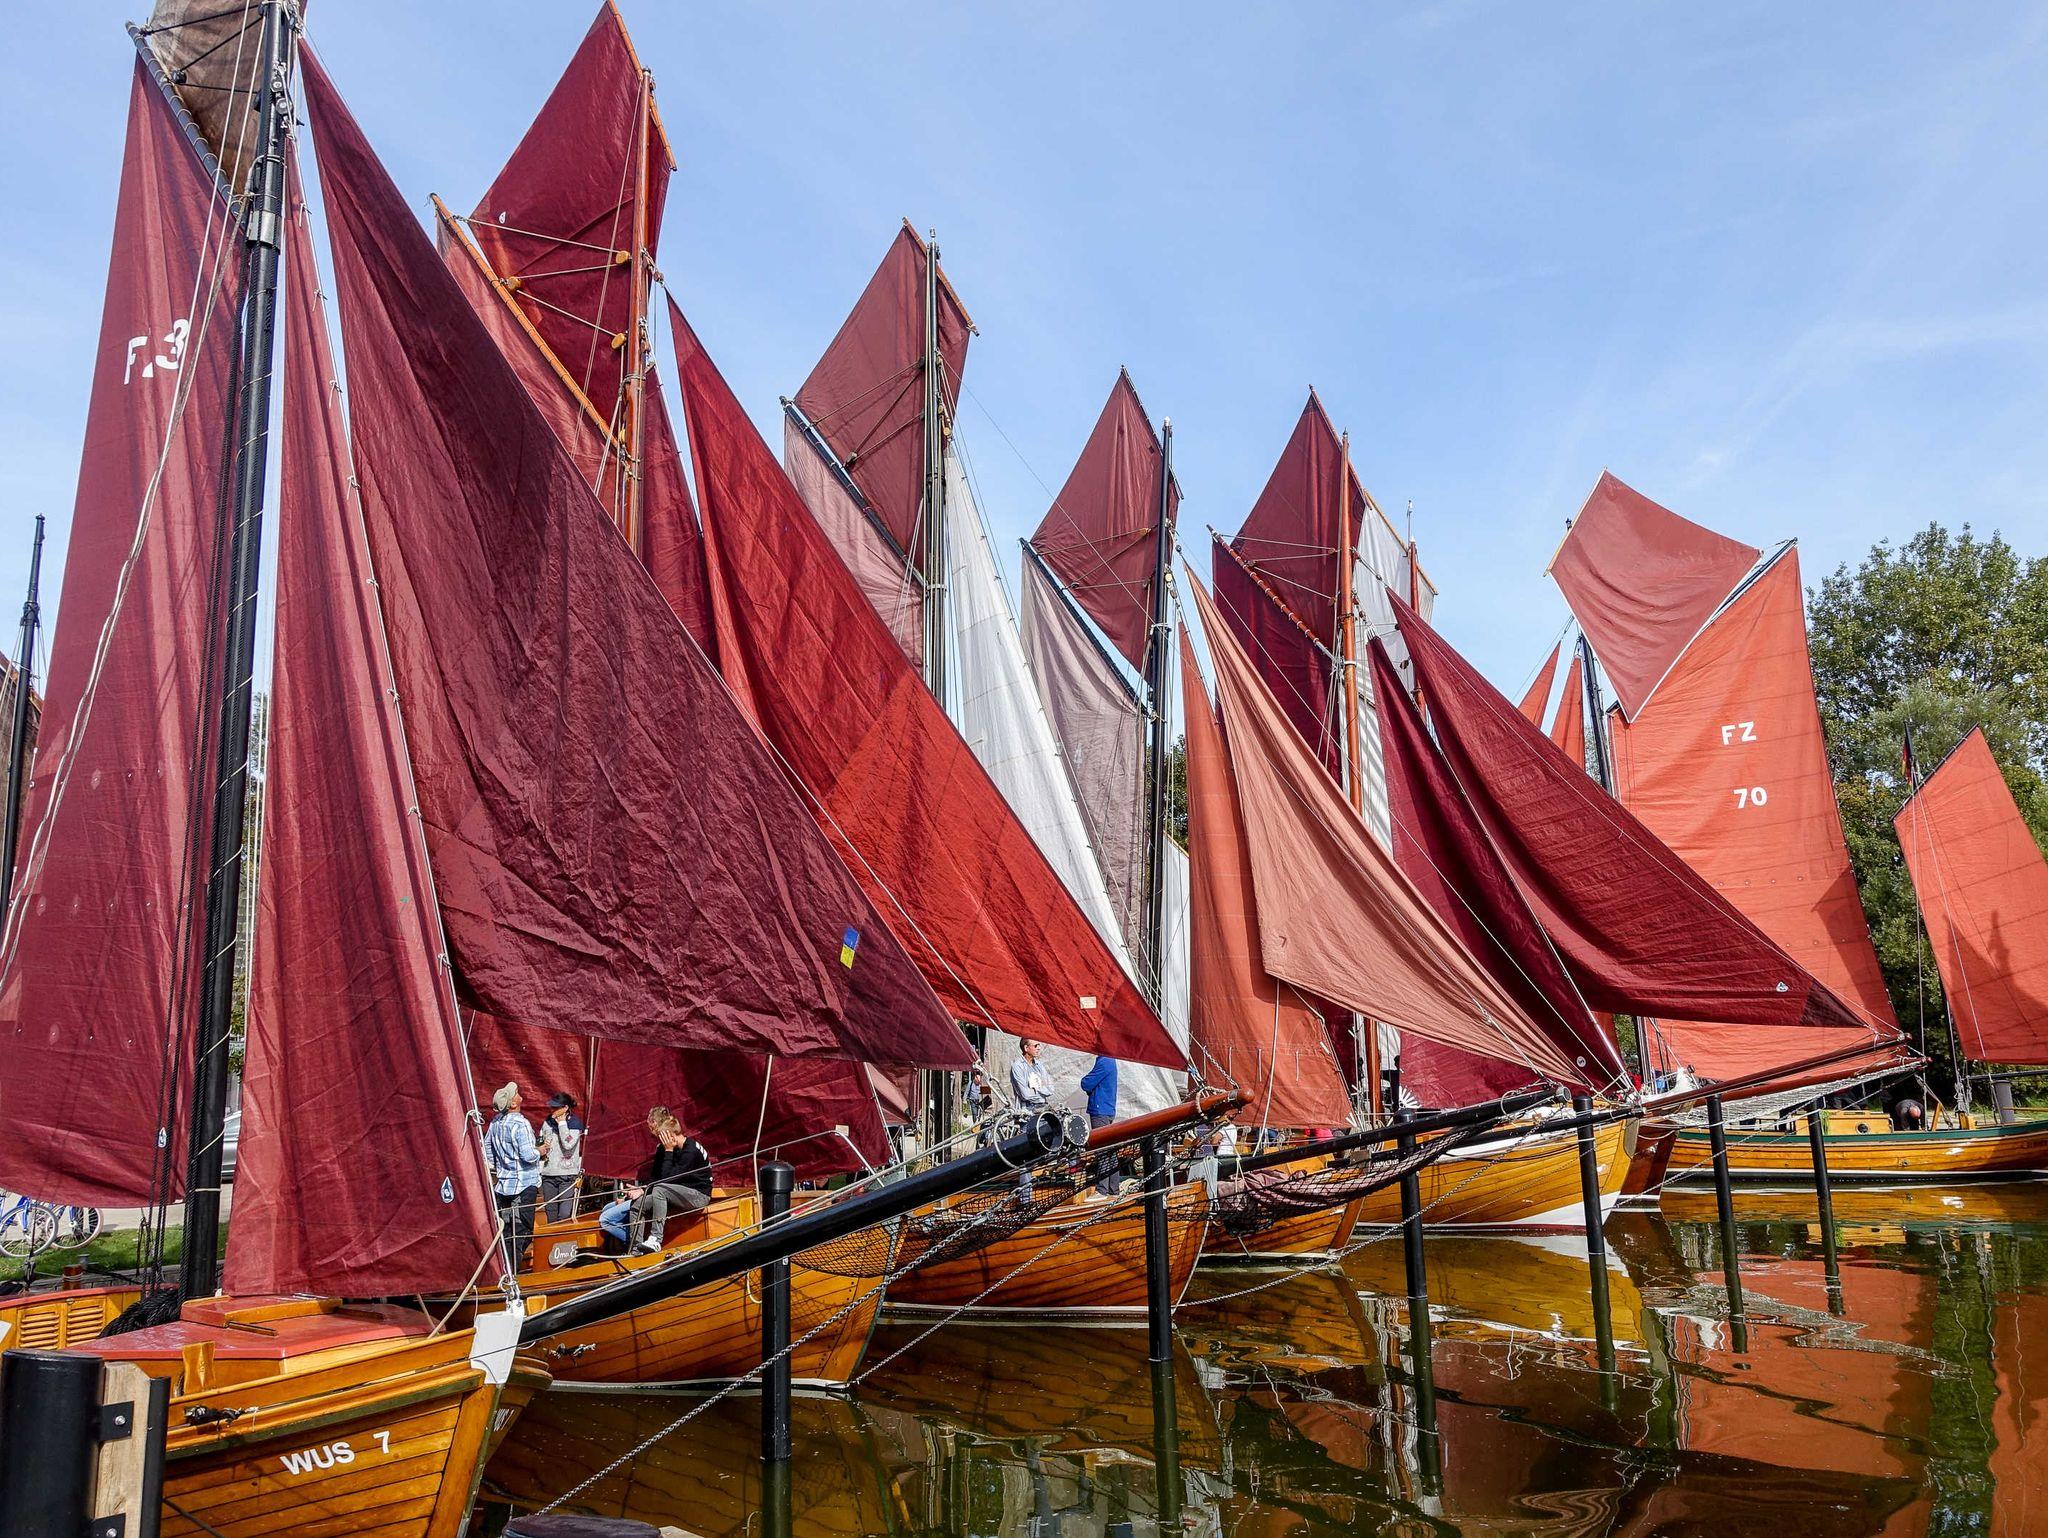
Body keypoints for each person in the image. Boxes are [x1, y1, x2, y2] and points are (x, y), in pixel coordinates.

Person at [624, 1106, 714, 1253]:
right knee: (638, 1204)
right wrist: (643, 1190)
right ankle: (635, 1248)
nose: (661, 1141)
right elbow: (661, 1177)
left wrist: (669, 1150)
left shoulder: (690, 1151)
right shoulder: (674, 1149)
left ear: (671, 1136)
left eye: (663, 1138)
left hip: (699, 1195)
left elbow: (667, 1179)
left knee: (660, 1189)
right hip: (680, 1193)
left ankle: (656, 1239)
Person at [482, 1082, 541, 1269]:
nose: (517, 1092)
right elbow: (528, 1156)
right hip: (524, 1186)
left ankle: (505, 1269)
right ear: (513, 1104)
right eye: (514, 1093)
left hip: (503, 1187)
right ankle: (512, 1272)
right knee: (522, 1232)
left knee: (507, 1232)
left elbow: (488, 1151)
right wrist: (541, 1151)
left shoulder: (495, 1123)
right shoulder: (521, 1124)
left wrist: (501, 1166)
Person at [537, 1092, 585, 1223]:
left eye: (555, 1107)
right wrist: (541, 1147)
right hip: (548, 1174)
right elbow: (540, 1141)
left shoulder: (575, 1124)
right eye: (551, 1107)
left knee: (564, 1215)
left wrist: (562, 1123)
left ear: (565, 1108)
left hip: (567, 1175)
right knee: (551, 1215)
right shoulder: (547, 1122)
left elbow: (568, 1144)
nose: (552, 1110)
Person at [1080, 1054, 1119, 1197]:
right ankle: (1113, 1189)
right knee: (1110, 1151)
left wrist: (1087, 1085)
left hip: (1100, 1110)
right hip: (1108, 1110)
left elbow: (1086, 1083)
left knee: (1102, 1150)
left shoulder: (1104, 1060)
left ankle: (1102, 1190)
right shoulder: (1111, 1060)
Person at [1010, 1040, 1053, 1114]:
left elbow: (1050, 1089)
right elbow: (1025, 1094)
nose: (1039, 1048)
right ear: (1026, 1048)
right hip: (1027, 1112)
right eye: (1035, 1046)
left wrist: (1034, 1090)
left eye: (1039, 1045)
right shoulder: (1017, 1066)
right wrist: (1042, 1090)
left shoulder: (1039, 1065)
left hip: (1043, 1108)